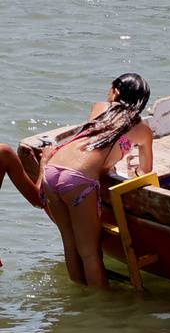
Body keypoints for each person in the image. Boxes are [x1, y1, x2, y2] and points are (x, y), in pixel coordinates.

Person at [28, 74, 154, 287]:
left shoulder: (99, 107)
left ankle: (79, 295)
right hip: (77, 180)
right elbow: (146, 170)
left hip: (53, 168)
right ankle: (100, 306)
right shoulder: (142, 129)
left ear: (115, 91)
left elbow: (93, 143)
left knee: (70, 242)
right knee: (90, 254)